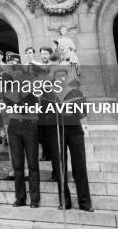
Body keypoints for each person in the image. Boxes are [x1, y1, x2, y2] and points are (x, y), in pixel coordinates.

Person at [48, 67, 93, 212]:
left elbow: (83, 112)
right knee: (60, 167)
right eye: (58, 76)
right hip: (57, 131)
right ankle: (64, 201)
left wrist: (71, 110)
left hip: (75, 131)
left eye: (63, 75)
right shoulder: (49, 93)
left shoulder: (75, 91)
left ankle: (85, 202)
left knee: (79, 166)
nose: (60, 78)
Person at [1, 54, 40, 208]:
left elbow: (35, 103)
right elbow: (6, 104)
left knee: (32, 164)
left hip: (29, 126)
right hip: (14, 126)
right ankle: (20, 198)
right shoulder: (7, 87)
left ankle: (35, 198)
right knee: (17, 165)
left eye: (17, 68)